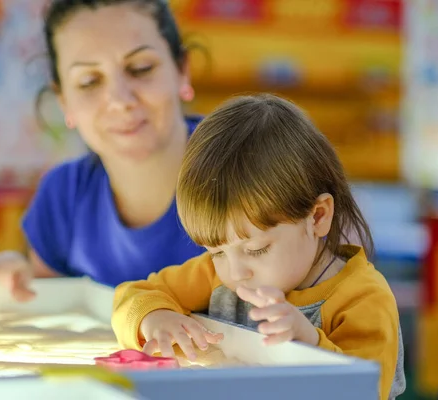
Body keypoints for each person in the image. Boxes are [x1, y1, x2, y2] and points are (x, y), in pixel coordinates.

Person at [112, 94, 406, 399]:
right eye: (217, 252)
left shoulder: (362, 299)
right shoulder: (217, 275)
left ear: (317, 217)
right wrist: (154, 319)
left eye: (256, 250)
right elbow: (132, 296)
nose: (235, 273)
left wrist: (309, 345)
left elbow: (365, 391)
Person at [0, 0, 205, 300]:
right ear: (64, 101)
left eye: (140, 68)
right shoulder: (63, 196)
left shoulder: (249, 166)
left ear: (182, 70)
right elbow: (49, 298)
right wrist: (22, 281)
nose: (120, 99)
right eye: (89, 81)